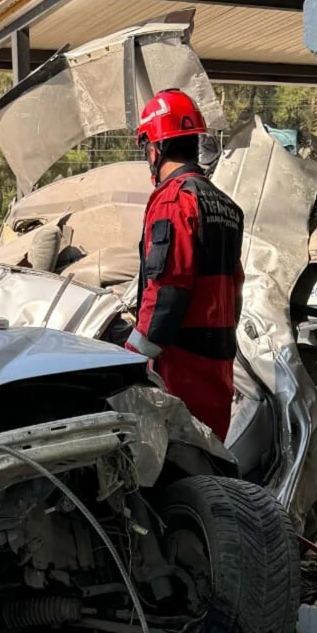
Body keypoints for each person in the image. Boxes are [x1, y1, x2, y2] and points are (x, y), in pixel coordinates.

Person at [127, 89, 245, 439]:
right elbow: (234, 288)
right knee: (209, 463)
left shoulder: (173, 201)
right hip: (219, 362)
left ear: (155, 148)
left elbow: (168, 289)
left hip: (181, 365)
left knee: (175, 467)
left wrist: (133, 357)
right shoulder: (224, 203)